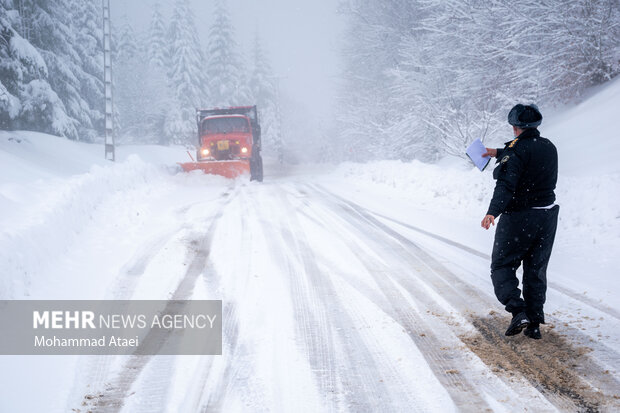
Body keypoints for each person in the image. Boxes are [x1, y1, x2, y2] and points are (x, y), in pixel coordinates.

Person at [481, 104, 559, 340]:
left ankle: (518, 310)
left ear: (515, 127)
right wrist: (496, 152)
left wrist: (492, 212)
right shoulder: (549, 147)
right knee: (536, 270)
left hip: (519, 218)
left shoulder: (516, 152)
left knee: (502, 266)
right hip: (547, 216)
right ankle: (534, 323)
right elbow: (526, 156)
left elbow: (506, 184)